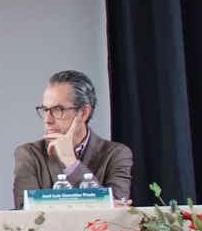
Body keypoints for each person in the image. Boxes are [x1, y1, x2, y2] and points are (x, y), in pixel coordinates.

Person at [11, 70, 133, 209]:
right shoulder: (29, 154)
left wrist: (71, 162)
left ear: (83, 113)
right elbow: (25, 211)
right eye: (45, 110)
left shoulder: (117, 154)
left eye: (58, 109)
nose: (47, 119)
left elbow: (115, 215)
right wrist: (96, 204)